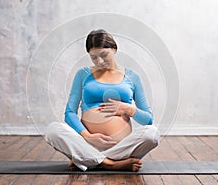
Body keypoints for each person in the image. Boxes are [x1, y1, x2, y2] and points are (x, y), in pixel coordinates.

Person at [45, 29, 160, 172]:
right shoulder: (83, 74)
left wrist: (128, 109)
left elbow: (148, 120)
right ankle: (110, 163)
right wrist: (88, 136)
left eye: (104, 55)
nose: (99, 61)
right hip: (87, 143)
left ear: (114, 49)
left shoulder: (132, 77)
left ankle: (88, 160)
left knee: (152, 133)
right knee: (52, 130)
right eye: (94, 57)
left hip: (122, 146)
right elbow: (69, 113)